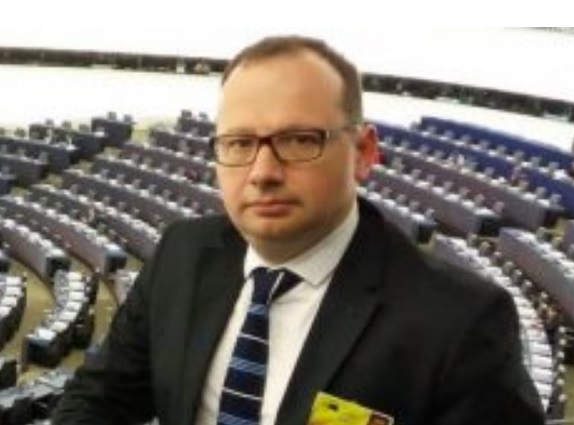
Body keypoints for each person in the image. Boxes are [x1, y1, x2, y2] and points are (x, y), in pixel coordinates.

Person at [53, 35, 544, 425]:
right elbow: (100, 399)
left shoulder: (459, 322)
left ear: (364, 153)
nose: (263, 172)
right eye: (239, 143)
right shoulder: (182, 252)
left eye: (298, 140)